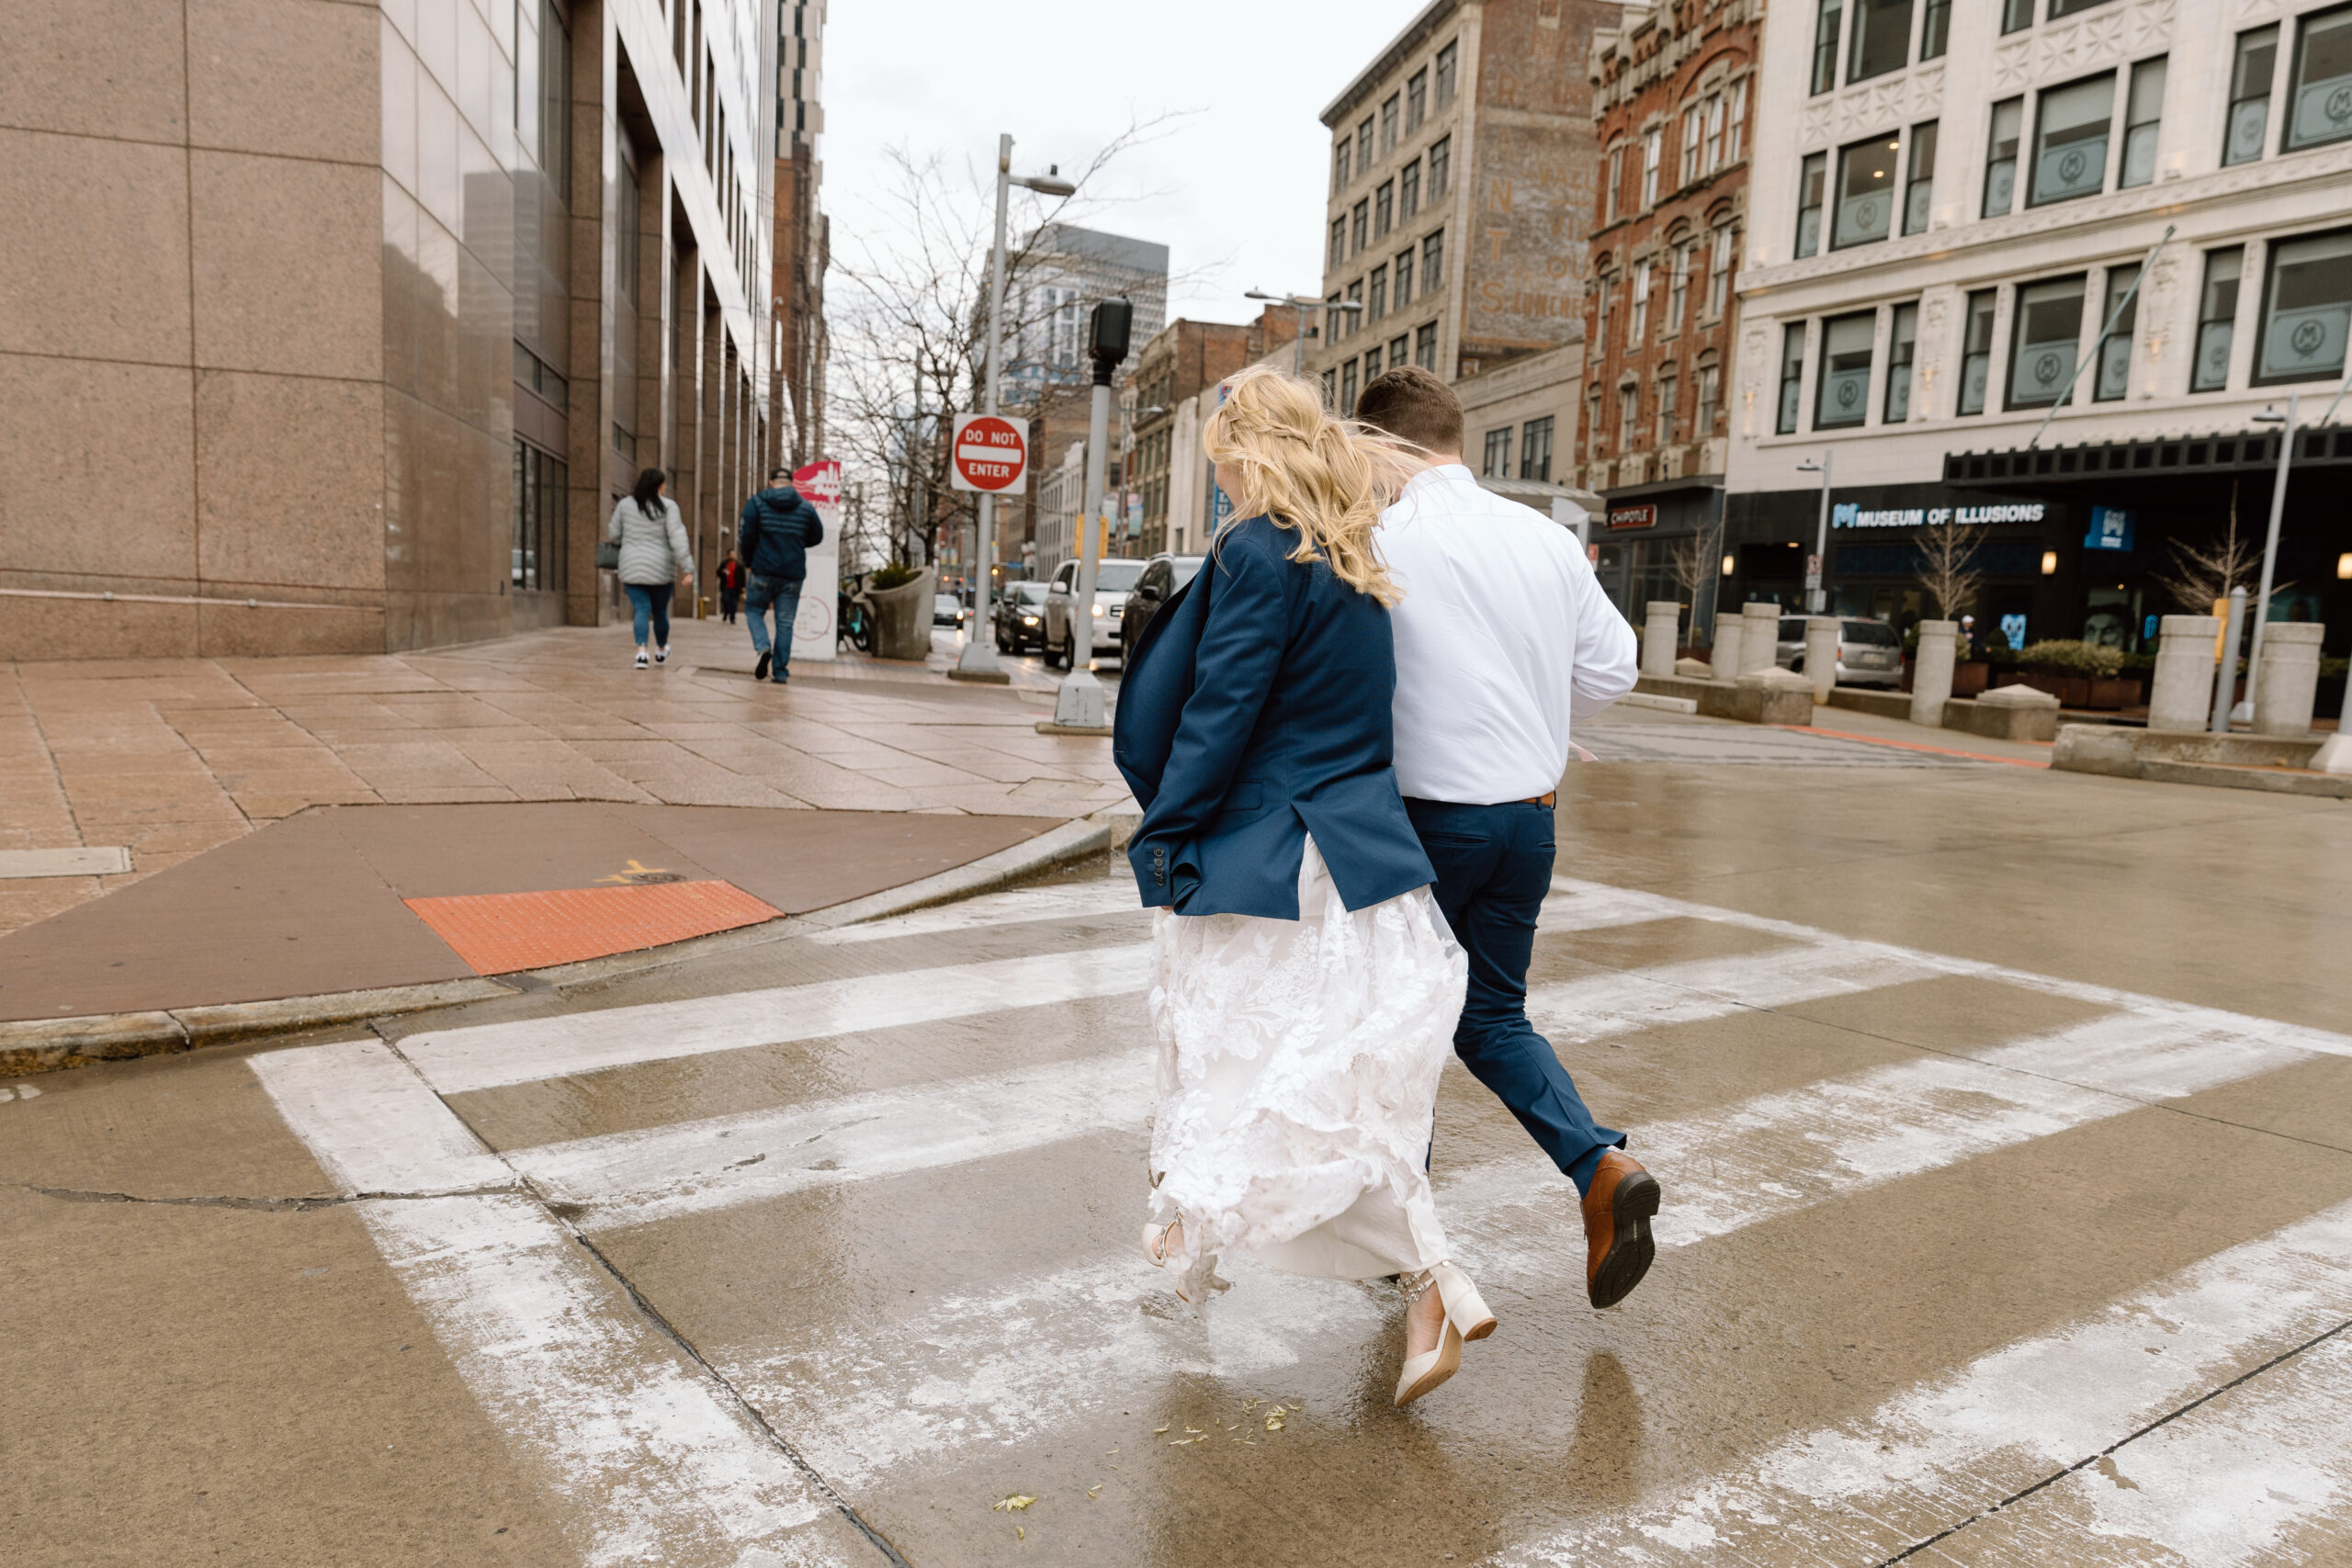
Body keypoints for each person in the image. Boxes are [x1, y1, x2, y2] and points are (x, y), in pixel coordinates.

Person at [1114, 366, 1495, 1409]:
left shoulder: (1257, 548)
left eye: (1223, 462)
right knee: (1305, 1089)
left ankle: (1425, 1275)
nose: (1221, 481)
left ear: (1248, 453)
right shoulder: (1349, 554)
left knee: (1248, 1083)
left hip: (1274, 860)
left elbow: (1222, 710)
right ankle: (1396, 1280)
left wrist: (1166, 833)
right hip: (1360, 863)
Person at [1353, 365, 1657, 1311]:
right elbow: (1614, 672)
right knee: (1490, 1017)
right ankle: (1599, 1167)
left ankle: (1406, 1240)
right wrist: (1528, 708)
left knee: (1399, 1023)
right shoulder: (1545, 538)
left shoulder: (1376, 538)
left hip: (1425, 824)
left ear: (1382, 446)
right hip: (1528, 819)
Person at [738, 467, 825, 684]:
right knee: (785, 622)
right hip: (793, 573)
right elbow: (817, 536)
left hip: (763, 569)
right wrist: (796, 541)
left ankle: (763, 647)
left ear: (771, 481)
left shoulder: (757, 503)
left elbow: (746, 535)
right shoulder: (805, 507)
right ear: (792, 483)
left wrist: (749, 562)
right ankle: (780, 672)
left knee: (753, 610)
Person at [606, 468, 693, 669]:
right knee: (660, 612)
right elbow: (678, 538)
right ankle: (661, 649)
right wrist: (688, 568)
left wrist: (630, 541)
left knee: (641, 609)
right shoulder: (669, 506)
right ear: (660, 485)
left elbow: (614, 534)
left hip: (632, 566)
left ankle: (641, 653)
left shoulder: (625, 505)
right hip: (661, 568)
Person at [717, 554, 744, 624]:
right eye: (731, 554)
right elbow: (718, 573)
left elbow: (743, 577)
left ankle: (732, 618)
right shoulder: (724, 563)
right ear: (728, 555)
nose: (732, 556)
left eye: (733, 554)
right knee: (726, 601)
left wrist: (743, 587)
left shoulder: (739, 565)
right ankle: (726, 613)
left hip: (736, 588)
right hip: (726, 587)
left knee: (734, 603)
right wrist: (722, 572)